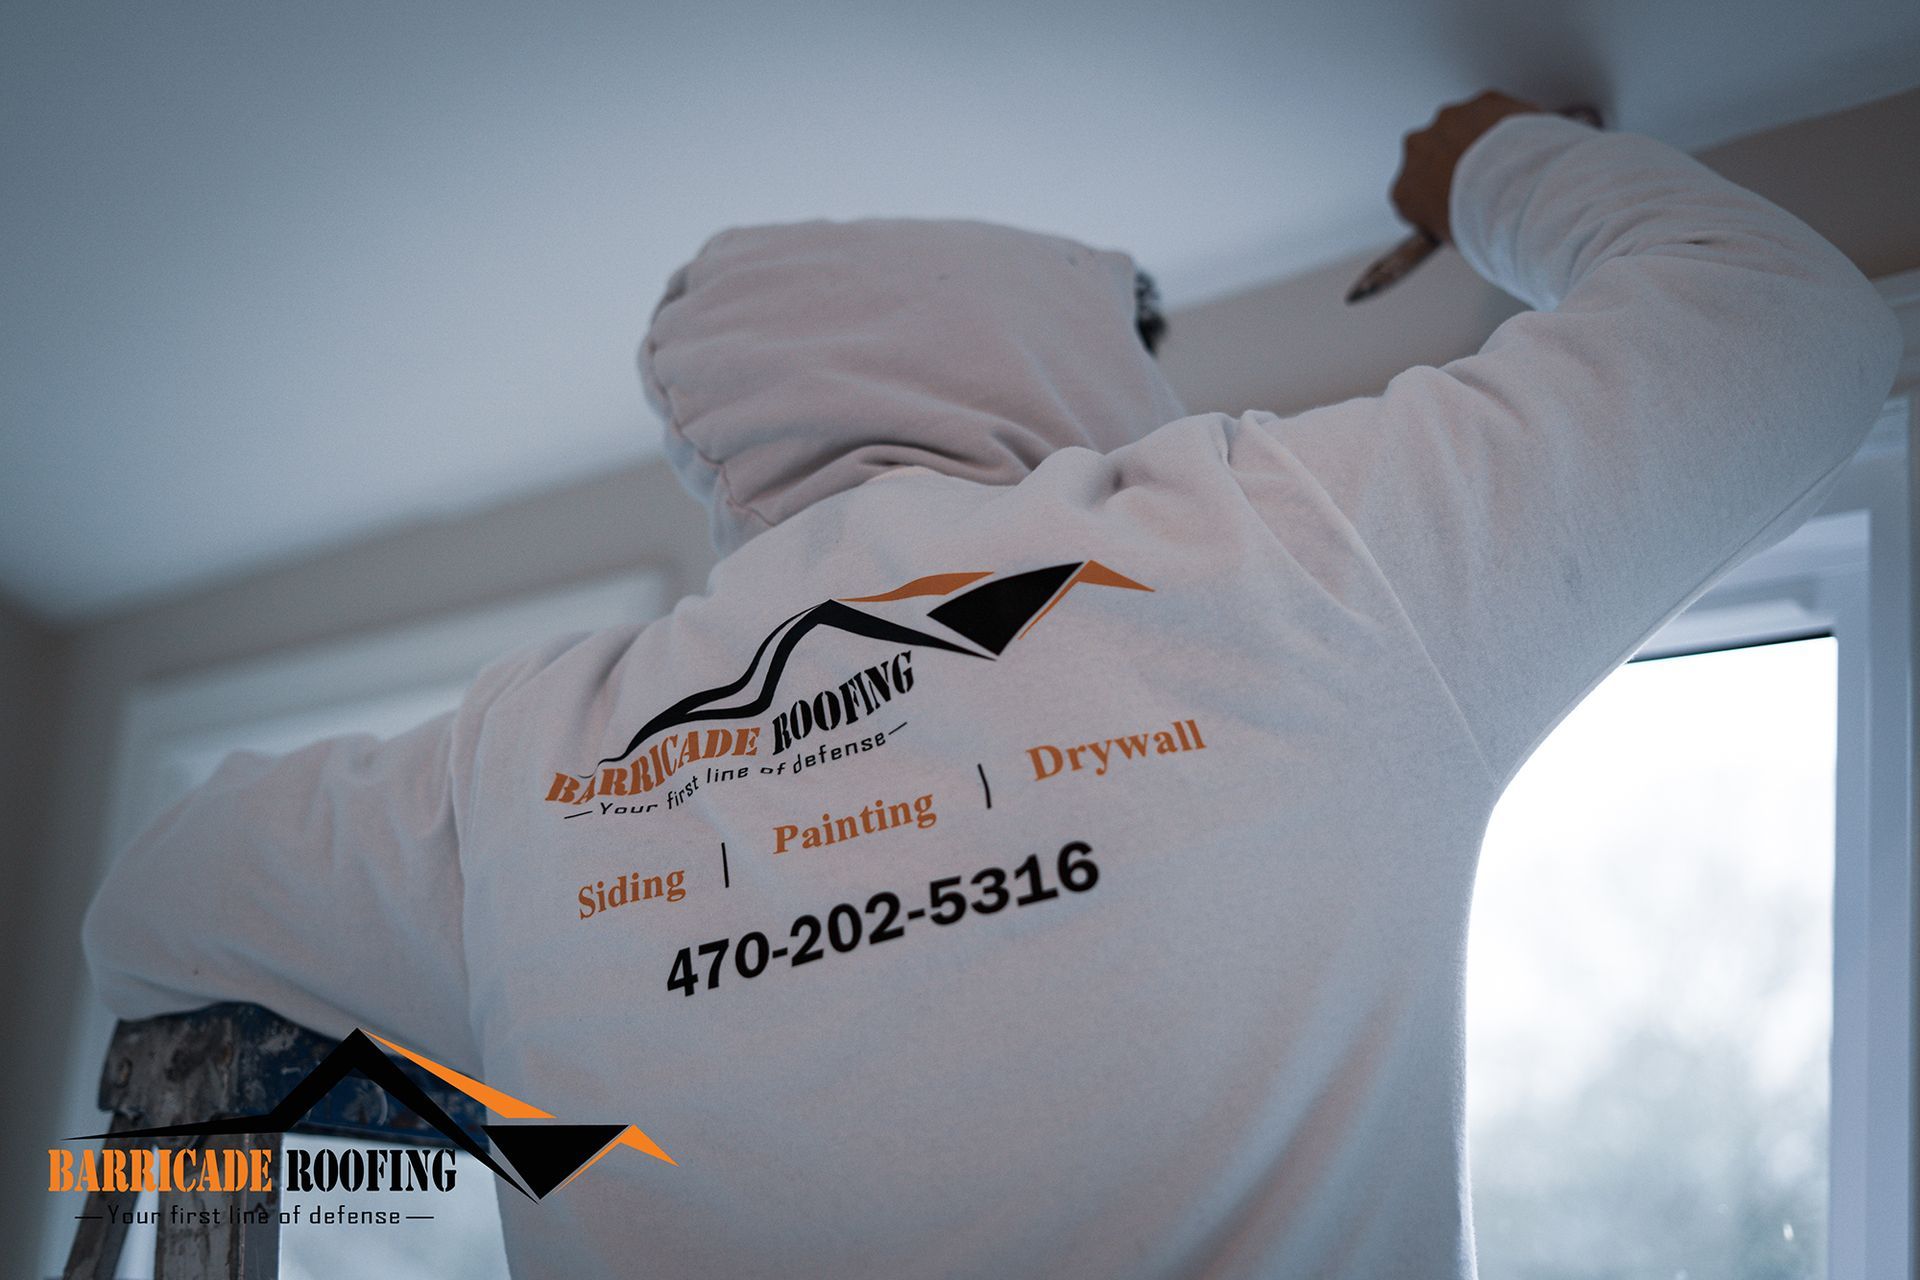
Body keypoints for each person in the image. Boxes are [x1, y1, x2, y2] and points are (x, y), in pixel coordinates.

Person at [83, 89, 1901, 1277]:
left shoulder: (520, 768)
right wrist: (1491, 156)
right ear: (1060, 356)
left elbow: (158, 909)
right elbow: (1786, 325)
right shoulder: (1275, 545)